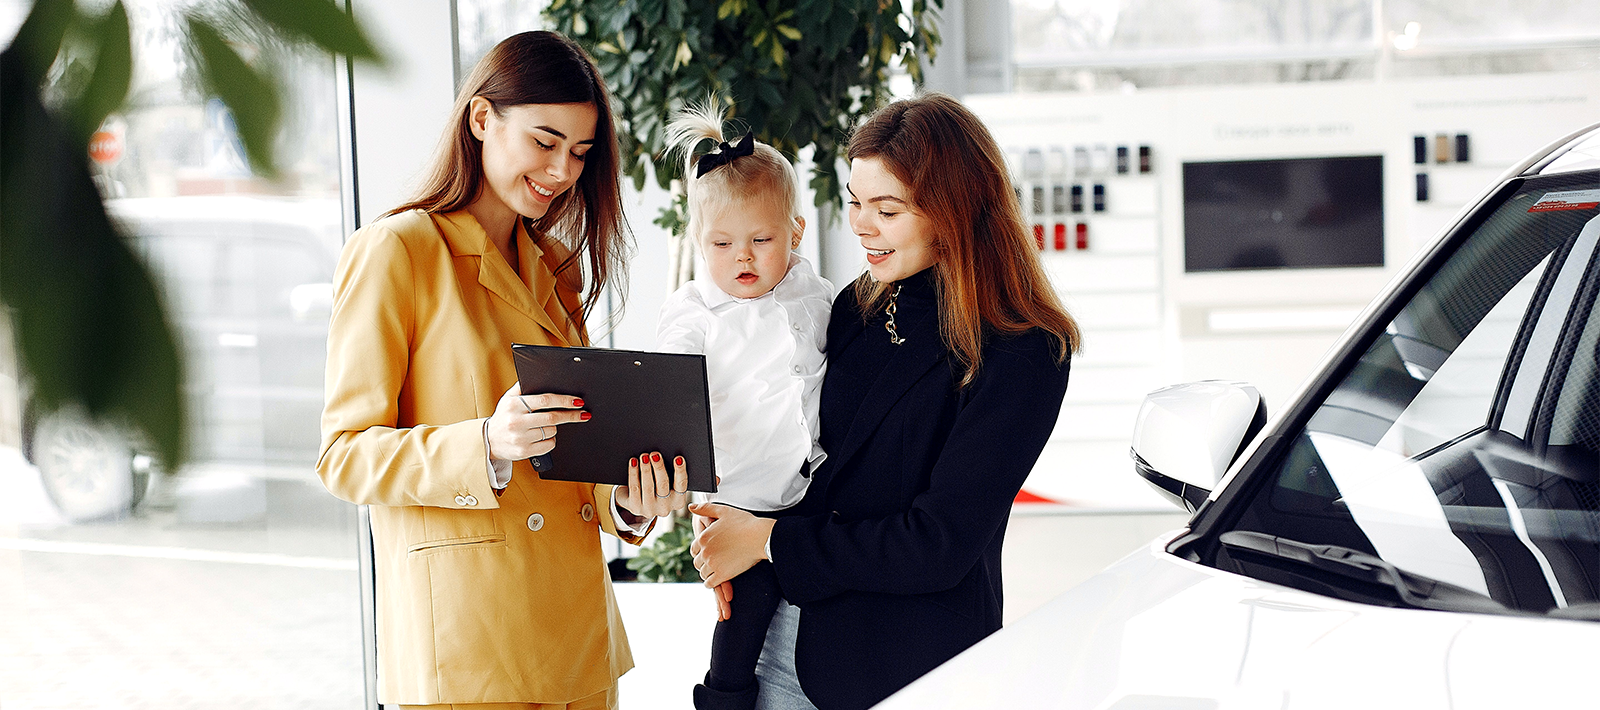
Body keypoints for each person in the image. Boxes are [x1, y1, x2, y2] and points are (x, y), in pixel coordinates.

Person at [316, 31, 690, 710]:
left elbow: (577, 455)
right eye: (544, 142)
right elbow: (343, 456)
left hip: (577, 642)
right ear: (482, 119)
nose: (563, 171)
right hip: (468, 649)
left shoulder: (557, 268)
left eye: (579, 152)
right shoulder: (398, 253)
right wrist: (485, 441)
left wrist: (632, 499)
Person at [690, 93, 1080, 710]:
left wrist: (767, 542)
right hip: (781, 640)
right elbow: (803, 459)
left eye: (887, 210)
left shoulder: (1024, 350)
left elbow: (939, 544)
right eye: (854, 203)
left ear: (953, 212)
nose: (862, 226)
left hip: (904, 667)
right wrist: (727, 518)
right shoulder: (858, 306)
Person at [654, 101, 834, 710]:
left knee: (811, 607)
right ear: (698, 241)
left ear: (796, 233)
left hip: (811, 494)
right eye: (723, 243)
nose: (745, 258)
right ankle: (724, 699)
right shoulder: (695, 310)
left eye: (762, 240)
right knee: (741, 617)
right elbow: (670, 379)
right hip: (739, 497)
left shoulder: (817, 296)